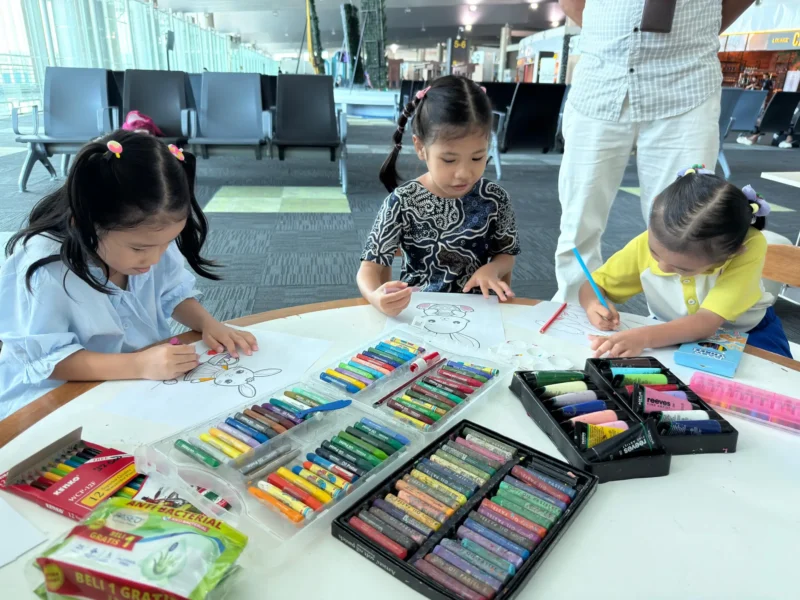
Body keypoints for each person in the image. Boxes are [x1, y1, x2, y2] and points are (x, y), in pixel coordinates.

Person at [0, 131, 257, 418]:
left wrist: (208, 323)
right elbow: (47, 362)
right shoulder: (45, 268)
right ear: (85, 224)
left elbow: (172, 293)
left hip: (130, 384)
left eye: (167, 243)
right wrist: (138, 365)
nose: (156, 257)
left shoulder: (150, 239)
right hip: (48, 403)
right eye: (139, 248)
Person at [554, 0, 756, 304]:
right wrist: (607, 31)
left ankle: (674, 319)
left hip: (685, 80)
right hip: (600, 79)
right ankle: (571, 308)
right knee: (578, 217)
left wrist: (693, 30)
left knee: (687, 220)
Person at [580, 166, 791, 359]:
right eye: (654, 253)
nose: (662, 267)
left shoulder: (749, 247)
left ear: (731, 253)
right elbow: (594, 284)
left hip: (749, 334)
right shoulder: (651, 239)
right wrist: (593, 303)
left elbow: (705, 323)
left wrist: (643, 338)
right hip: (668, 330)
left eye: (682, 269)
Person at [357, 75, 521, 317]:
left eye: (478, 157)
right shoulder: (403, 201)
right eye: (449, 159)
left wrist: (493, 269)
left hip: (478, 312)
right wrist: (374, 296)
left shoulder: (495, 198)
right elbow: (369, 268)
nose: (464, 173)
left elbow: (506, 253)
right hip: (417, 311)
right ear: (421, 147)